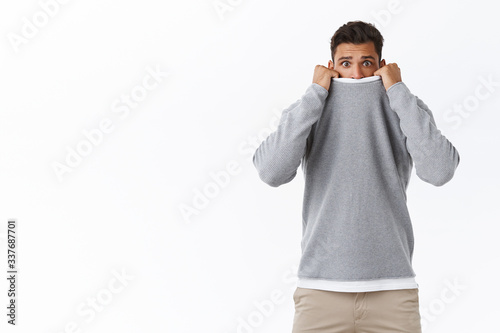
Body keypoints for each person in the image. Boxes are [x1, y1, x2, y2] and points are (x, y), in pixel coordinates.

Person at [252, 20, 460, 333]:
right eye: (346, 64)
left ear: (383, 66)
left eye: (367, 63)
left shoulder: (406, 108)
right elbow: (271, 172)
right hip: (320, 291)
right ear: (330, 66)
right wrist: (315, 93)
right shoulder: (308, 109)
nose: (357, 74)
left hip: (393, 292)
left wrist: (397, 90)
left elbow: (440, 171)